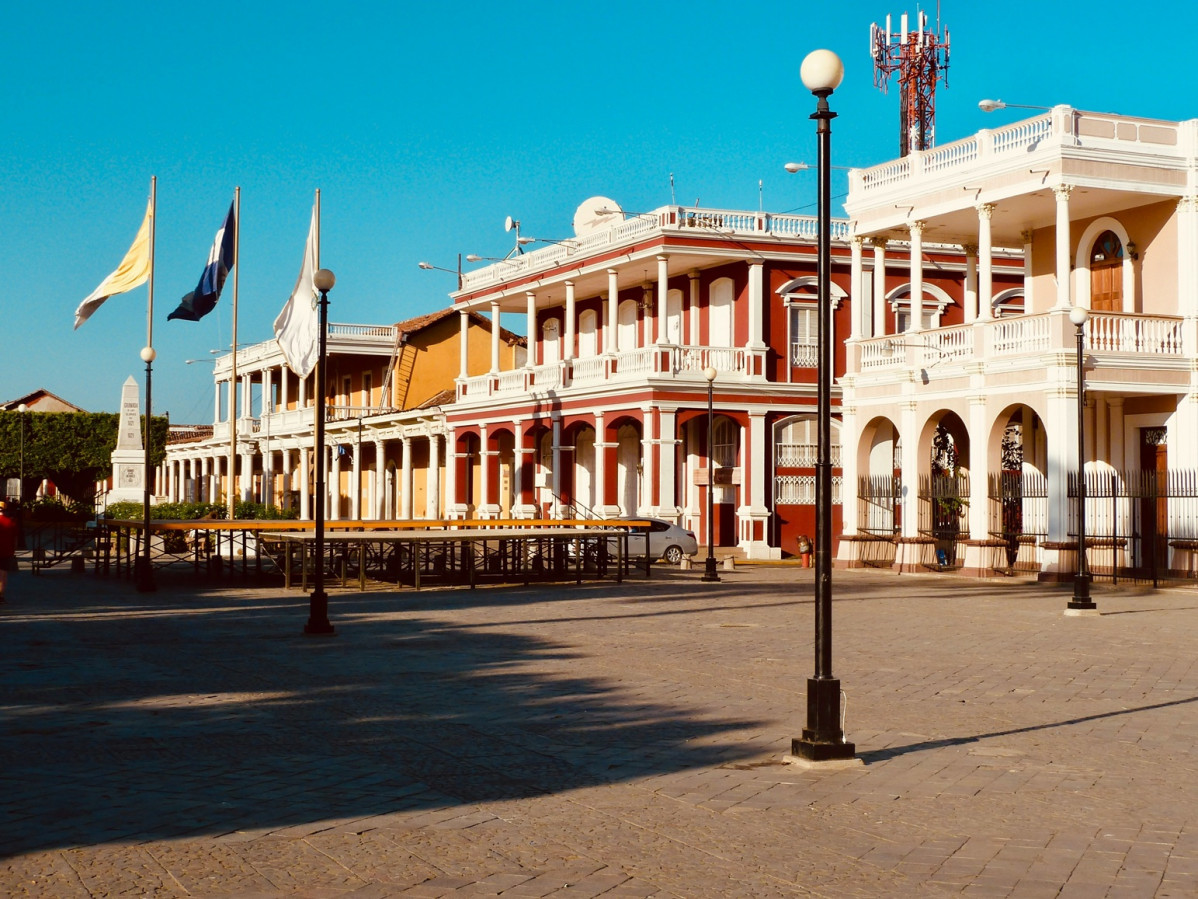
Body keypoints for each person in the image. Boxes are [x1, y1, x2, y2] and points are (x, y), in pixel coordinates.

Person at [0, 501, 18, 602]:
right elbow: (15, 540)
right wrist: (13, 551)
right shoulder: (11, 522)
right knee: (3, 575)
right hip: (6, 551)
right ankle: (1, 596)